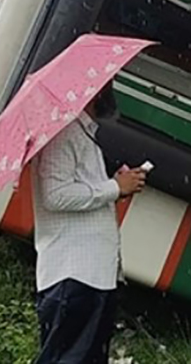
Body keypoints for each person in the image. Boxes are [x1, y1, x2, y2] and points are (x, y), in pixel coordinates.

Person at [32, 83, 146, 364]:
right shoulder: (64, 132)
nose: (110, 91)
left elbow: (80, 192)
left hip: (91, 274)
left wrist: (115, 186)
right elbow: (56, 196)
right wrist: (113, 188)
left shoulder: (82, 133)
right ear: (93, 92)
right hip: (74, 275)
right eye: (106, 85)